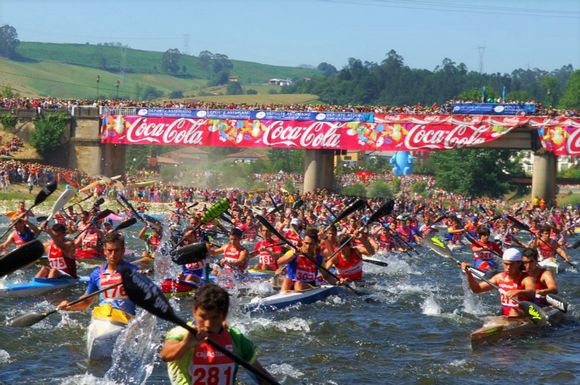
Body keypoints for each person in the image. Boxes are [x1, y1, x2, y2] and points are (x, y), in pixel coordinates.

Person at [160, 284, 275, 385]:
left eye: (215, 317)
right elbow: (165, 355)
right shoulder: (181, 333)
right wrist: (185, 345)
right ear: (194, 311)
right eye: (203, 316)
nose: (208, 324)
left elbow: (260, 375)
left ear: (224, 316)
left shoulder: (236, 338)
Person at [58, 232, 138, 320]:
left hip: (125, 318)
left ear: (123, 251)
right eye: (110, 250)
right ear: (104, 251)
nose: (113, 255)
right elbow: (86, 302)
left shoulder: (134, 271)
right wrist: (69, 306)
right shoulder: (97, 274)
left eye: (117, 250)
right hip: (102, 317)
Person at [460, 248, 536, 317]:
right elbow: (477, 289)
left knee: (514, 311)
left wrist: (518, 292)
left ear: (519, 263)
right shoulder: (499, 277)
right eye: (506, 264)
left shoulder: (526, 279)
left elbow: (532, 292)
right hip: (505, 314)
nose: (508, 267)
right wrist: (468, 273)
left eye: (511, 264)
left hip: (523, 313)